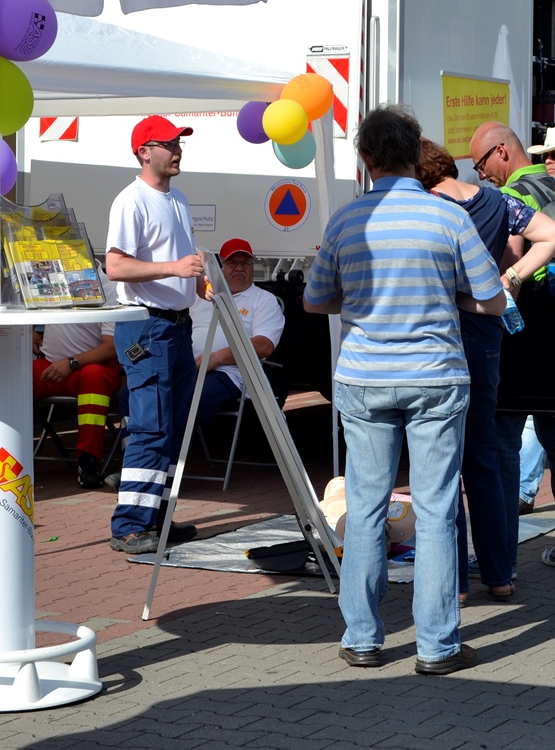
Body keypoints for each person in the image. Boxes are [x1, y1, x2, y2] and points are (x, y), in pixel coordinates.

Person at [305, 105, 503, 676]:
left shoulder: (345, 221)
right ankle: (437, 646)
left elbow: (316, 300)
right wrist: (450, 299)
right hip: (436, 374)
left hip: (365, 375)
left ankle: (363, 637)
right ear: (417, 155)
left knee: (365, 507)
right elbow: (490, 298)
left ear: (365, 158)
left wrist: (362, 301)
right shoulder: (448, 218)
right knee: (438, 509)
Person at [416, 137, 555, 603]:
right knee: (482, 461)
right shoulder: (498, 201)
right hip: (487, 339)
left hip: (440, 339)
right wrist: (513, 277)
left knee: (443, 466)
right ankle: (500, 575)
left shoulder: (428, 206)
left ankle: (455, 582)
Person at [469, 122, 555, 575]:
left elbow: (510, 258)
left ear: (501, 152)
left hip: (526, 327)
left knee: (503, 442)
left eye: (482, 164)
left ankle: (502, 561)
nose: (482, 176)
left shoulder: (516, 195)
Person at [105, 116, 205, 555]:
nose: (177, 149)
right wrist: (175, 269)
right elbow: (116, 266)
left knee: (171, 424)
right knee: (150, 425)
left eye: (179, 142)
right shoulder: (131, 200)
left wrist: (198, 280)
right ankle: (129, 525)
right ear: (144, 151)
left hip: (174, 324)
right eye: (169, 143)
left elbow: (181, 258)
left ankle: (156, 517)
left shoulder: (178, 198)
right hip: (146, 324)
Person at [32, 271, 123, 489]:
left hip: (92, 368)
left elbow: (112, 347)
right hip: (52, 365)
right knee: (12, 378)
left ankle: (88, 460)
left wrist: (71, 363)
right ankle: (9, 454)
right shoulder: (53, 278)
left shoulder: (109, 287)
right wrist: (33, 330)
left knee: (94, 377)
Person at [187, 237, 286, 433]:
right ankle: (143, 453)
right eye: (232, 263)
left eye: (245, 263)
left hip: (228, 372)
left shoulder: (263, 300)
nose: (239, 268)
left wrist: (218, 357)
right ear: (221, 266)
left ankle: (167, 455)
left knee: (190, 400)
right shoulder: (202, 296)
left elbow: (264, 345)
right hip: (189, 366)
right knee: (139, 394)